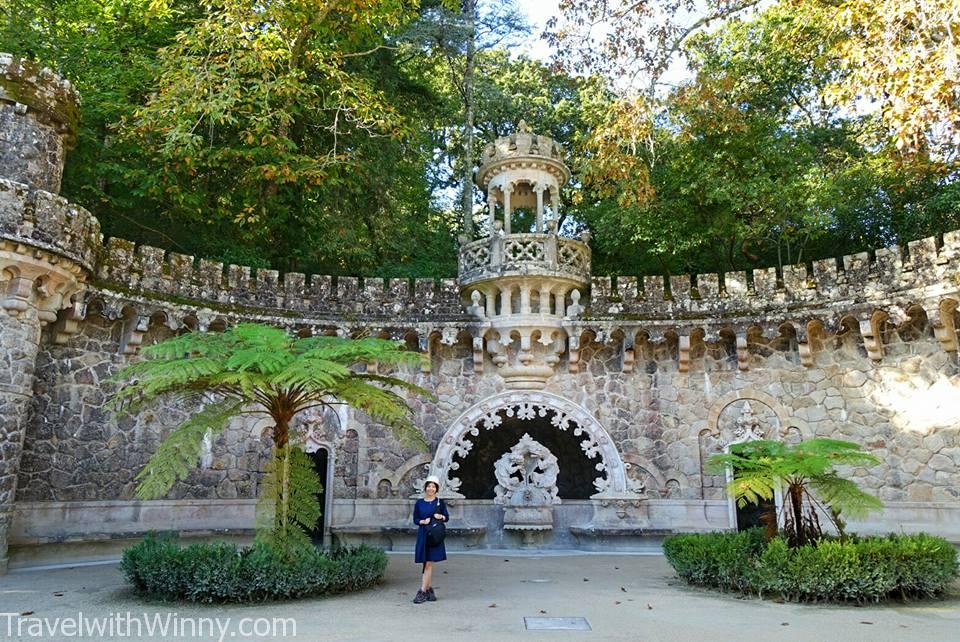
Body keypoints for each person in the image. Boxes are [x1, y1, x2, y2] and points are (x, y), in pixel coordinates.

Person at [412, 474, 448, 604]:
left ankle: (422, 591)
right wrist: (422, 521)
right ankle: (428, 590)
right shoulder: (419, 503)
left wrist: (441, 517)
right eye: (429, 486)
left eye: (433, 486)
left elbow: (447, 517)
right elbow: (415, 519)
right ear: (425, 488)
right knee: (425, 562)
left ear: (436, 489)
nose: (431, 489)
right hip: (423, 534)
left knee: (428, 563)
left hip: (434, 536)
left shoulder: (440, 502)